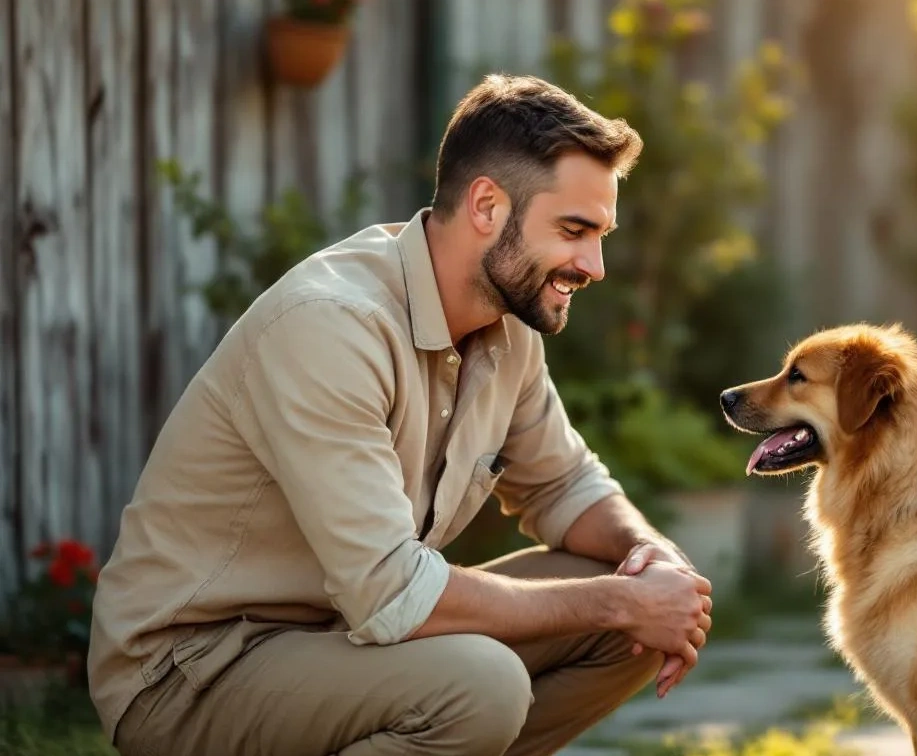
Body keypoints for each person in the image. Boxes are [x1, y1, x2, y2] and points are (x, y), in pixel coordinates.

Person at [87, 73, 714, 756]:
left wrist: (658, 569)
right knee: (485, 684)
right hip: (194, 672)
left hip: (342, 641)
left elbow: (566, 487)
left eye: (601, 235)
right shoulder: (331, 325)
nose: (593, 265)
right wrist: (622, 602)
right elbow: (390, 592)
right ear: (486, 207)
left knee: (629, 617)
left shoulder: (510, 334)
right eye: (574, 230)